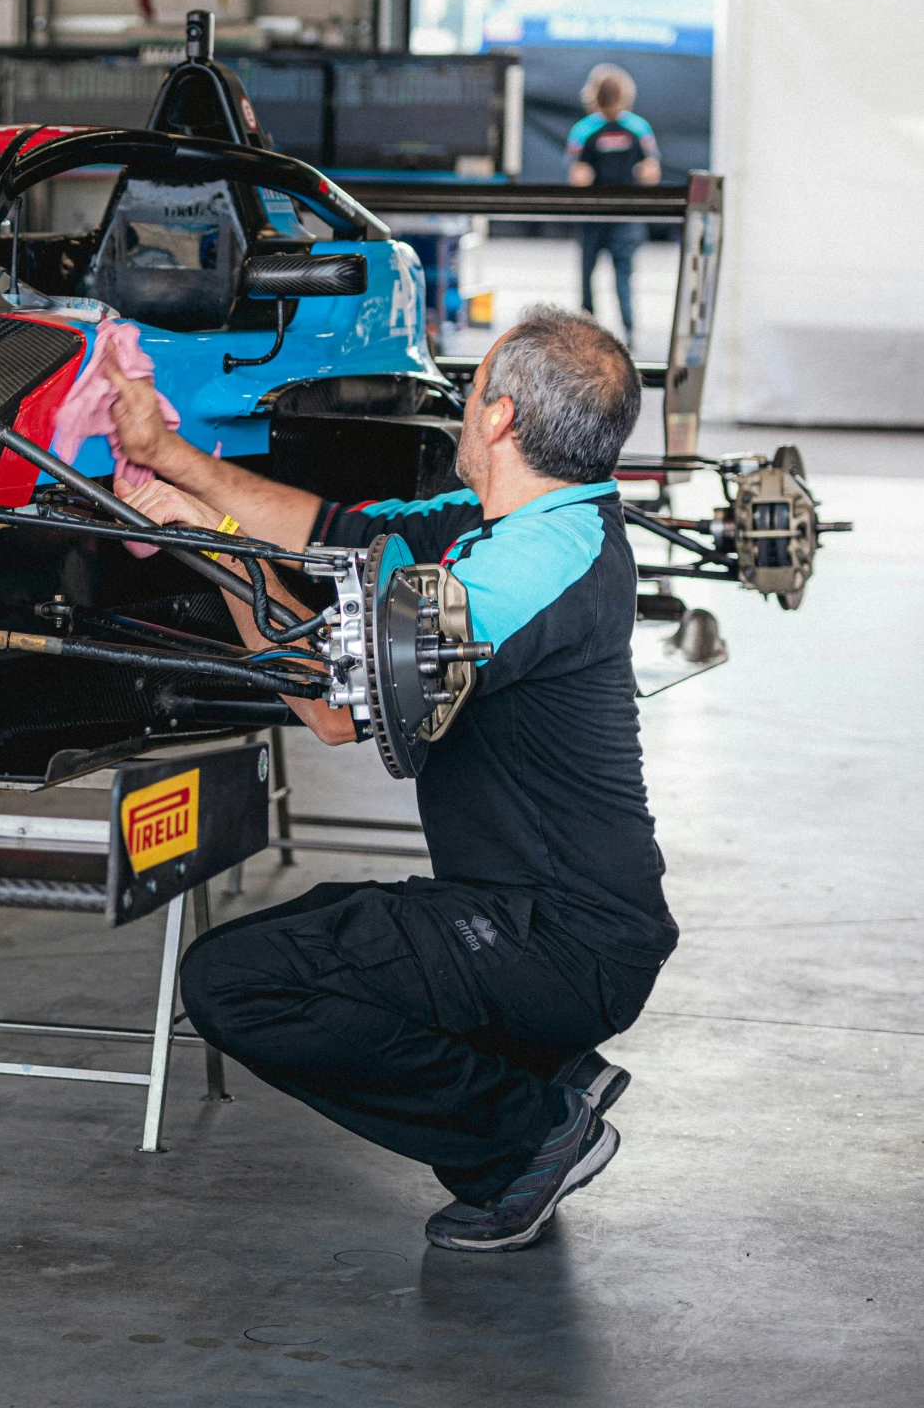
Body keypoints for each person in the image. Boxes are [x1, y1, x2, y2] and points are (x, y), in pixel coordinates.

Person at [104, 304, 672, 1254]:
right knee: (300, 935)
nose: (459, 407)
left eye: (471, 389)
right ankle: (552, 1068)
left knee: (235, 984)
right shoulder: (513, 519)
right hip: (541, 914)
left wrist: (213, 556)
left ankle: (528, 1134)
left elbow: (333, 708)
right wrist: (164, 453)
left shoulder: (523, 574)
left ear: (497, 418)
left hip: (562, 941)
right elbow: (329, 529)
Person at [565, 63, 661, 341]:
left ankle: (590, 334)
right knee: (619, 277)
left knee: (592, 277)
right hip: (619, 217)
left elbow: (578, 176)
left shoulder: (584, 130)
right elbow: (651, 172)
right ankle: (624, 333)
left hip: (599, 217)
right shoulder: (637, 127)